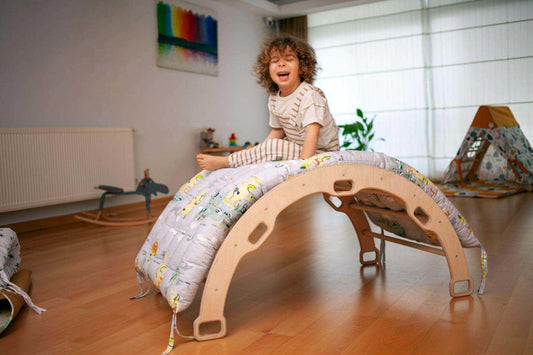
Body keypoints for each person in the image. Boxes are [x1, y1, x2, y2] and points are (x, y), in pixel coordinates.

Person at [196, 35, 339, 171]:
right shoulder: (274, 99)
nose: (281, 63)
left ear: (301, 68)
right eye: (275, 61)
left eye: (289, 59)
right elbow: (278, 130)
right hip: (299, 150)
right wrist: (260, 151)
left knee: (274, 147)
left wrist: (303, 167)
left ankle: (226, 162)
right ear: (267, 70)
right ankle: (245, 159)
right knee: (267, 148)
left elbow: (311, 133)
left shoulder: (309, 95)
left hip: (321, 154)